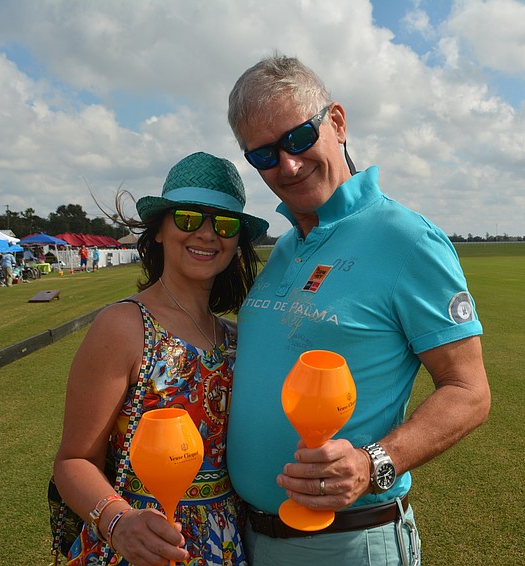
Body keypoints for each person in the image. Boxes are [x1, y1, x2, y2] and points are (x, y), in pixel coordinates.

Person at [226, 55, 491, 565]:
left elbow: (469, 392)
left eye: (299, 137)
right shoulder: (283, 248)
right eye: (263, 155)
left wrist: (373, 464)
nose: (288, 165)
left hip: (347, 542)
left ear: (338, 122)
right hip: (251, 539)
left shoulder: (407, 239)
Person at [53, 152, 268, 566]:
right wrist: (119, 523)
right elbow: (73, 460)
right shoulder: (123, 326)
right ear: (158, 232)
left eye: (223, 224)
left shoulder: (236, 337)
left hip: (227, 545)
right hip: (137, 545)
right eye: (189, 218)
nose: (206, 234)